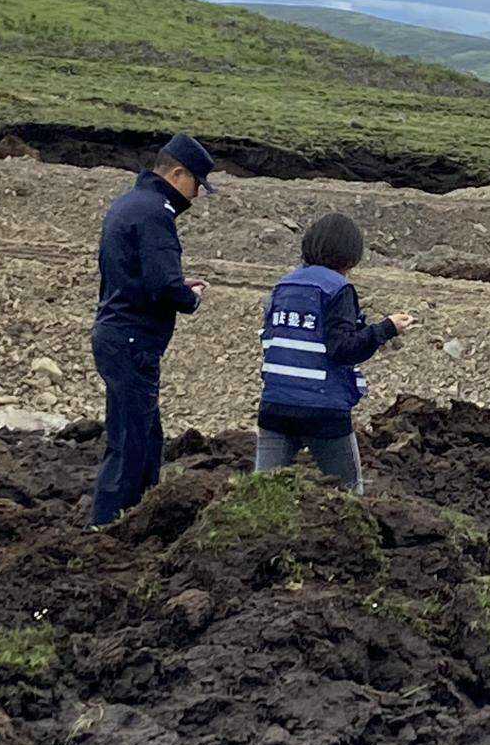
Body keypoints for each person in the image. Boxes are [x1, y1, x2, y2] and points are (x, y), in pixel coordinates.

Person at [88, 134, 216, 529]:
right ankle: (108, 526)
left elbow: (134, 275)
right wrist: (189, 297)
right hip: (132, 340)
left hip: (117, 334)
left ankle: (137, 519)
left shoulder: (128, 204)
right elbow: (163, 286)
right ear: (178, 173)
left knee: (144, 436)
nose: (195, 196)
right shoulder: (156, 214)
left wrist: (175, 284)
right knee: (131, 442)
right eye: (196, 184)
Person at [255, 213, 414, 492]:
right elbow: (343, 349)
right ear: (350, 255)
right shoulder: (337, 289)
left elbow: (269, 340)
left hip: (275, 404)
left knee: (261, 492)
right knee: (349, 491)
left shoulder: (283, 286)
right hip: (322, 408)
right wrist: (386, 328)